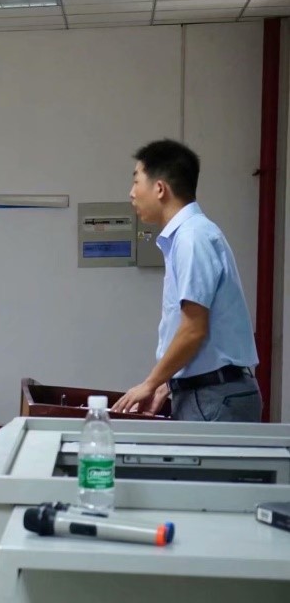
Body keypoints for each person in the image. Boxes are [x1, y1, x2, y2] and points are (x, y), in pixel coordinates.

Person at [112, 140, 261, 421]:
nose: (131, 193)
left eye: (136, 181)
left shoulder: (192, 238)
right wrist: (168, 382)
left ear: (160, 189)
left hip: (214, 396)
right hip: (208, 392)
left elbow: (193, 329)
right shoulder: (188, 236)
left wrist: (150, 383)